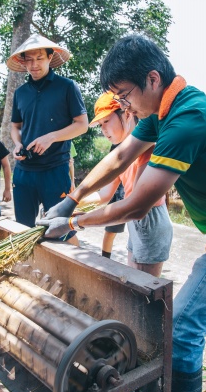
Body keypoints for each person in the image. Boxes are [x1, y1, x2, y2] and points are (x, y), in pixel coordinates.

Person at [38, 34, 206, 392]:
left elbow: (137, 205)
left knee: (182, 329)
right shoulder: (168, 107)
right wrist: (72, 199)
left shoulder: (186, 121)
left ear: (153, 79)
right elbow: (121, 156)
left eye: (125, 95)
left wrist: (74, 223)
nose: (125, 105)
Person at [81, 92, 173, 273]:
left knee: (144, 288)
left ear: (127, 114)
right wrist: (73, 203)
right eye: (100, 125)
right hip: (134, 218)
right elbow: (104, 194)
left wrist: (79, 220)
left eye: (107, 121)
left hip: (148, 219)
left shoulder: (148, 148)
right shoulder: (120, 152)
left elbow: (136, 202)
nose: (103, 130)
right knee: (134, 279)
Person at [7, 34, 88, 236]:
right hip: (24, 172)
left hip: (55, 170)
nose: (34, 64)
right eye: (29, 59)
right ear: (23, 61)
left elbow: (82, 125)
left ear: (50, 58)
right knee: (23, 231)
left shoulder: (67, 87)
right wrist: (17, 144)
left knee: (61, 232)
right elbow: (15, 126)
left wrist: (51, 137)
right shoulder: (21, 93)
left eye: (40, 58)